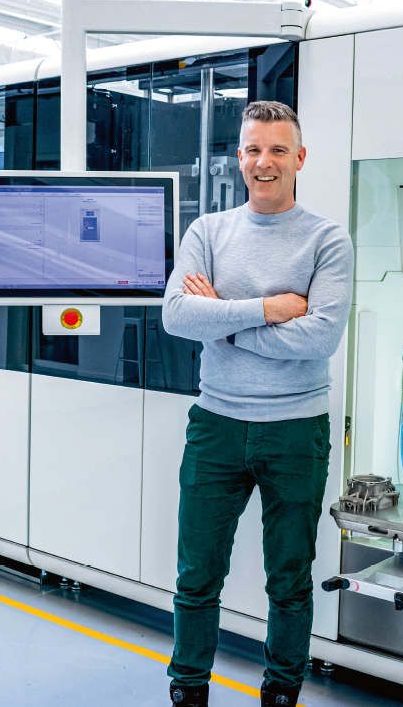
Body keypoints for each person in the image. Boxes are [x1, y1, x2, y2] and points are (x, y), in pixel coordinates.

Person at [161, 100, 353, 707]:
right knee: (197, 575)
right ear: (238, 158)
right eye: (252, 150)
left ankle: (282, 694)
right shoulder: (207, 231)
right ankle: (188, 691)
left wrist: (221, 318)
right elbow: (176, 315)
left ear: (300, 158)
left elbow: (320, 338)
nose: (263, 163)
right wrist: (268, 309)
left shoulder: (327, 239)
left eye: (276, 150)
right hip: (215, 426)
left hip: (296, 433)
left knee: (290, 580)